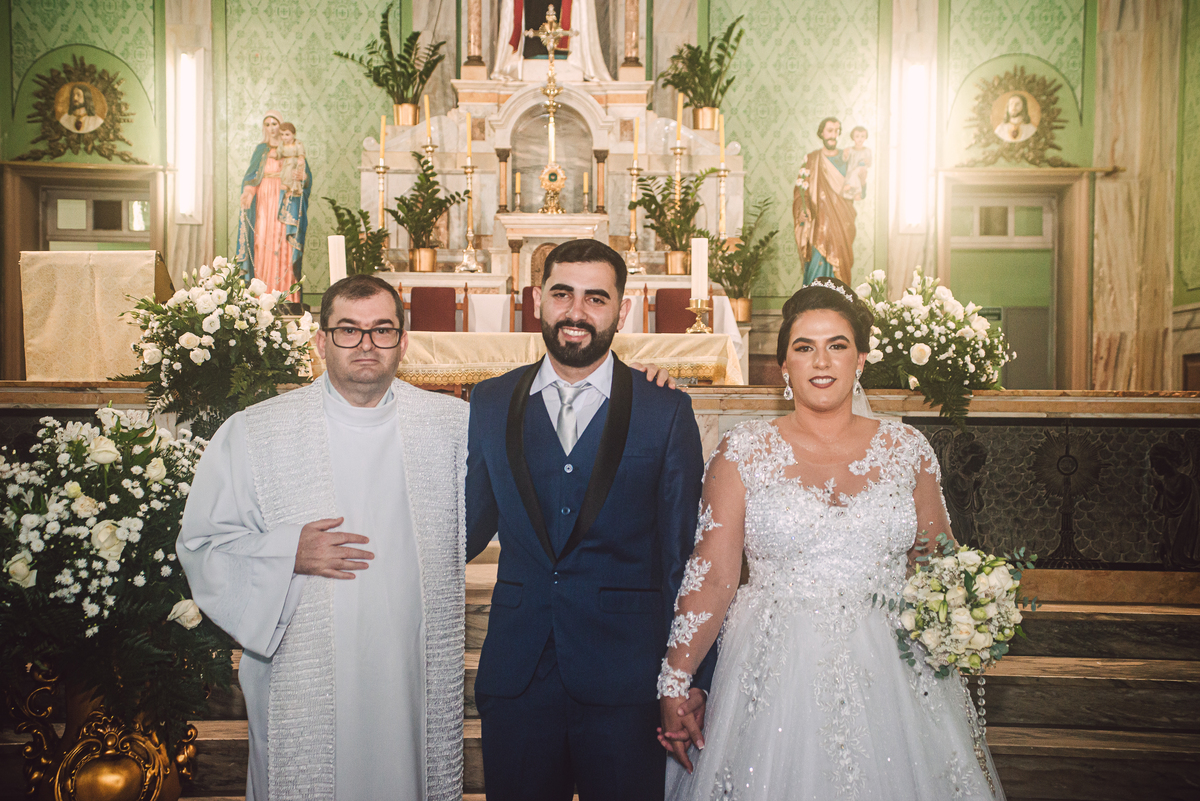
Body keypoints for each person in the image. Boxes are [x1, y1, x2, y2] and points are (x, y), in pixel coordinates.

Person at [658, 278, 1005, 801]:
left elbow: (937, 565)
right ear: (785, 369)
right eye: (805, 347)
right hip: (774, 670)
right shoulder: (743, 450)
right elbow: (713, 576)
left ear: (860, 360)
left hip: (894, 668)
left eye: (837, 346)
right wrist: (675, 682)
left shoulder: (907, 448)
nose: (821, 361)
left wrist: (969, 612)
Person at [177, 274, 467, 801]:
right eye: (348, 330)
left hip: (409, 668)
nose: (365, 344)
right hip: (302, 674)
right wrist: (286, 550)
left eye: (382, 330)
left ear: (403, 340)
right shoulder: (255, 431)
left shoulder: (453, 427)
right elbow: (203, 546)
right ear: (320, 340)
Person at [465, 239, 714, 800]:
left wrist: (691, 676)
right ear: (536, 300)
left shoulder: (664, 410)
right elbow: (463, 527)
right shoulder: (490, 400)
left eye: (595, 298)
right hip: (518, 676)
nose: (577, 312)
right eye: (562, 293)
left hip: (627, 677)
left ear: (621, 310)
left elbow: (686, 558)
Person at [236, 112, 311, 301]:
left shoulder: (293, 147)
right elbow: (252, 177)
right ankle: (262, 296)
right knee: (261, 244)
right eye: (267, 124)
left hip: (285, 201)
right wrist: (247, 193)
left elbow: (305, 176)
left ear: (282, 126)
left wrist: (302, 177)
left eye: (275, 123)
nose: (271, 128)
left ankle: (287, 297)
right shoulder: (261, 150)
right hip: (263, 203)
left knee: (284, 246)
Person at [794, 117, 857, 286]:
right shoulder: (812, 159)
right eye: (829, 131)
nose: (833, 135)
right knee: (817, 266)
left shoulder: (846, 158)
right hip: (818, 224)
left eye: (837, 131)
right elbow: (801, 190)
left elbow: (857, 188)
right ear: (821, 132)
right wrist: (802, 209)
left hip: (841, 223)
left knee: (840, 269)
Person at [841, 125, 872, 201]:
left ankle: (855, 190)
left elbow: (870, 164)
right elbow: (844, 160)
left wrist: (867, 162)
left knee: (858, 172)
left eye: (862, 136)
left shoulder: (867, 151)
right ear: (853, 138)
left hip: (861, 171)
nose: (860, 139)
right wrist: (845, 155)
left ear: (865, 138)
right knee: (852, 174)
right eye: (857, 136)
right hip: (851, 172)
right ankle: (852, 190)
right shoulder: (850, 150)